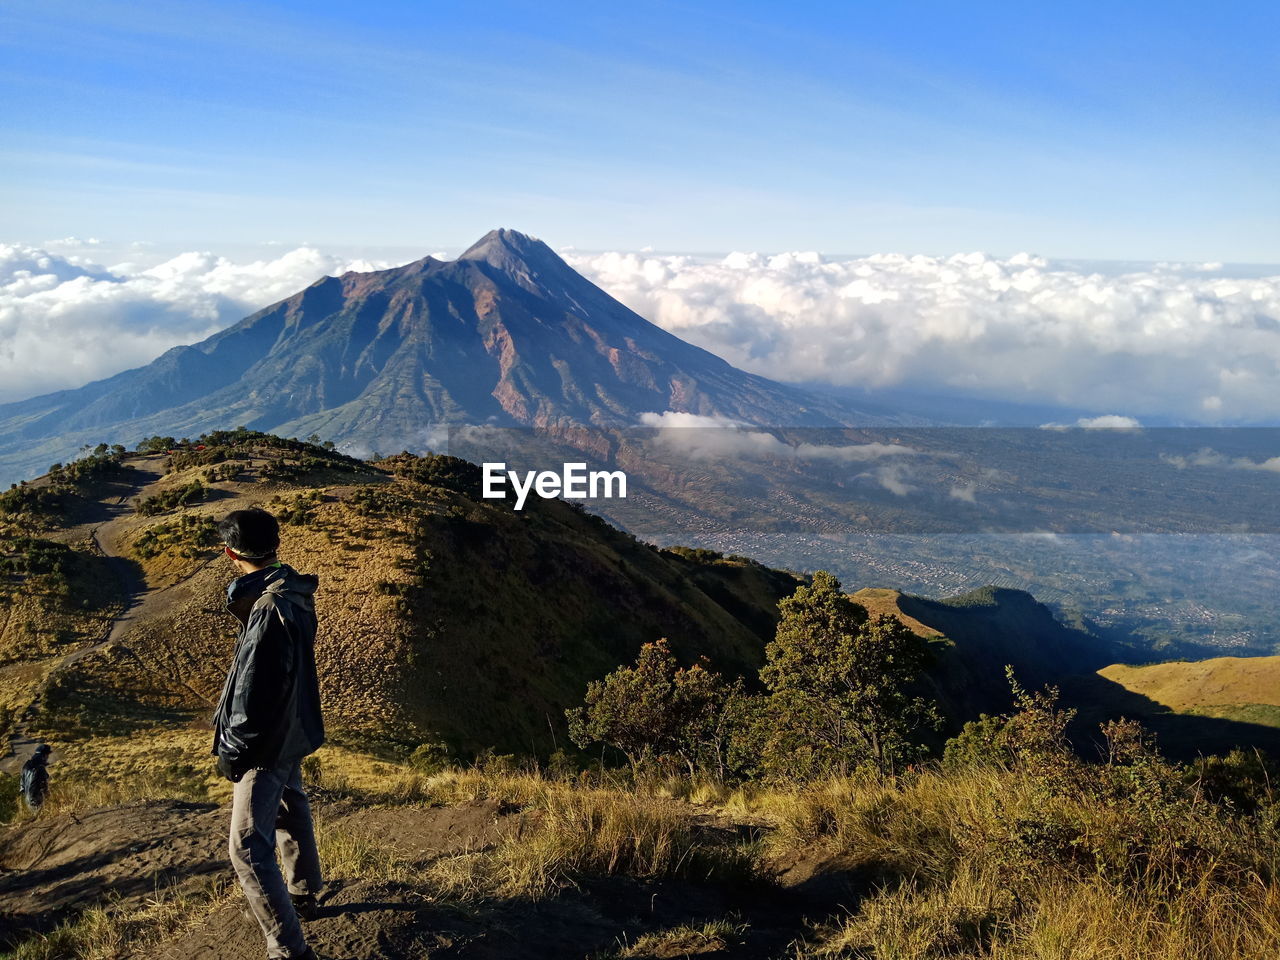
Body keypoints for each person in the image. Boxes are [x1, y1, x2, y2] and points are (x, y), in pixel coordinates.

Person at [212, 507, 325, 960]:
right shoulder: (292, 589)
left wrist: (235, 749)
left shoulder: (268, 606)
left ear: (229, 553)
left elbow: (253, 691)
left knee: (246, 848)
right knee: (291, 804)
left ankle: (288, 949)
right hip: (292, 725)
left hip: (266, 740)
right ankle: (303, 891)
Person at [20, 743, 51, 810]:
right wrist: (48, 796)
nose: (48, 757)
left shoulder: (26, 766)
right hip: (37, 798)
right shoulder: (40, 768)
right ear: (44, 755)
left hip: (27, 800)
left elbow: (22, 787)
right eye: (47, 755)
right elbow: (44, 785)